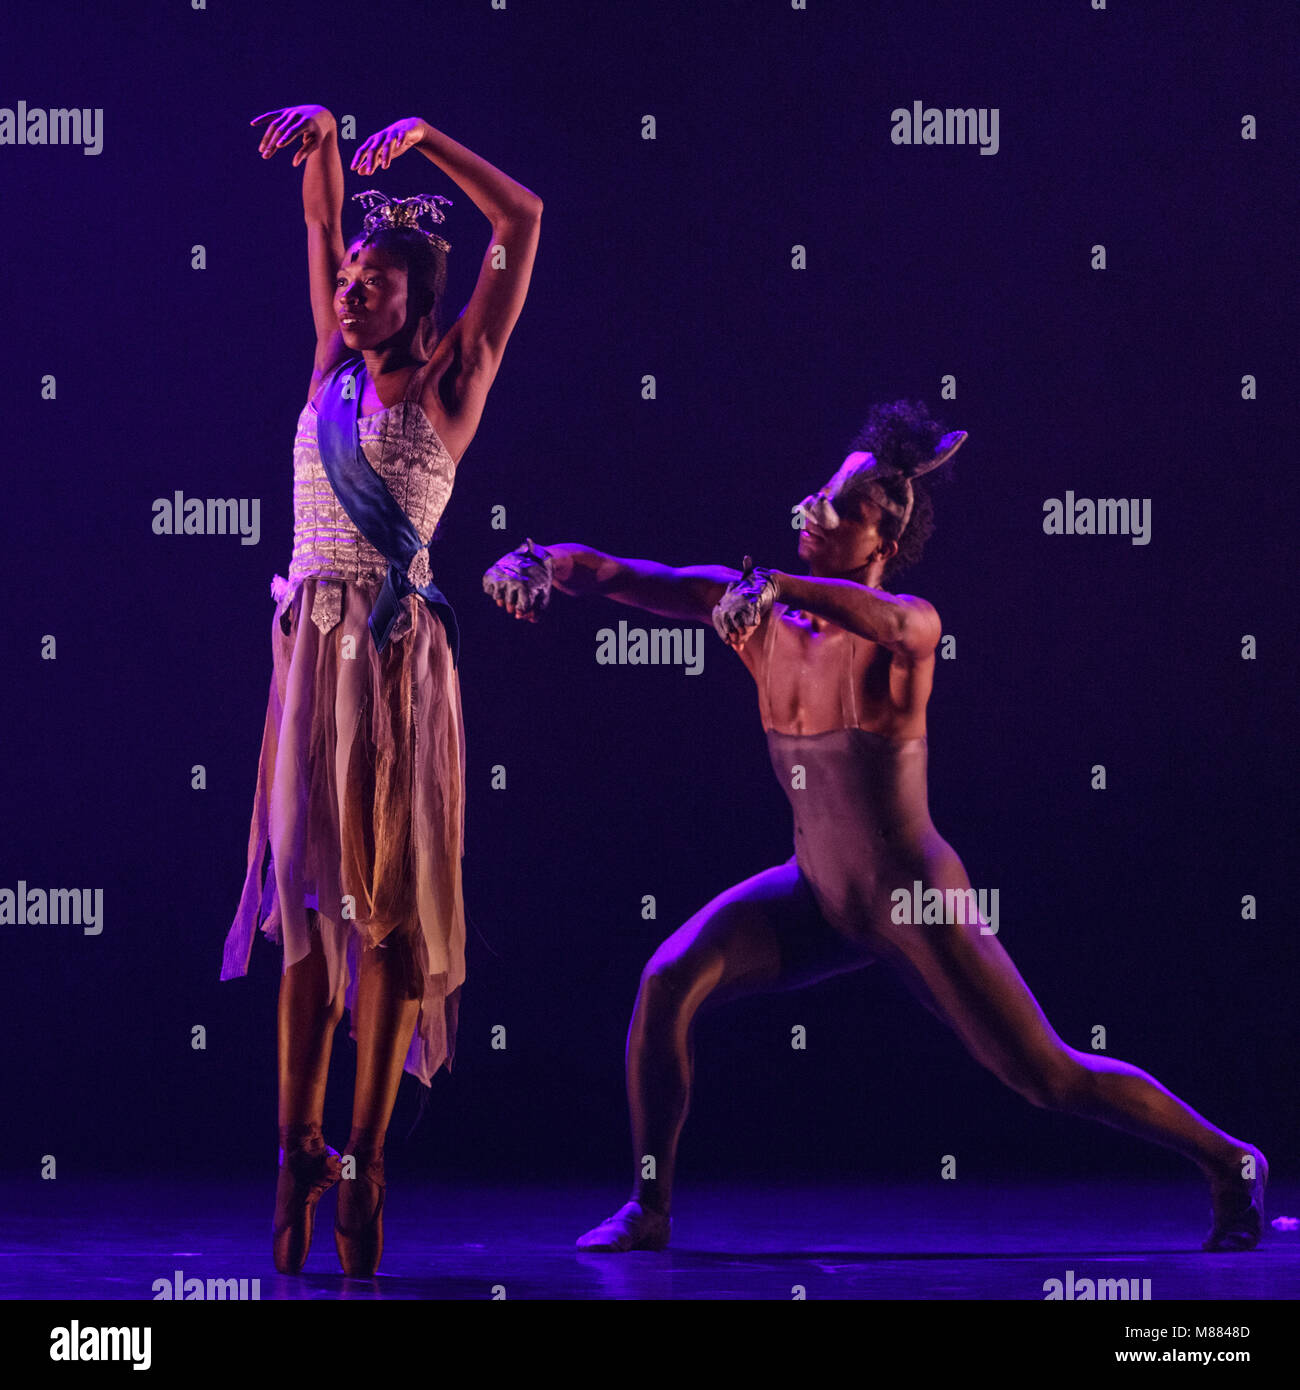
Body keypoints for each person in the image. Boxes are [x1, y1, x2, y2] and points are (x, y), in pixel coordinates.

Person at [482, 400, 1267, 1255]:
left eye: (840, 504)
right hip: (818, 897)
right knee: (668, 976)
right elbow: (621, 575)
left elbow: (891, 620)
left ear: (881, 544)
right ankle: (650, 1207)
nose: (814, 507)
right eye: (822, 490)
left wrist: (776, 585)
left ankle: (1232, 1163)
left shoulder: (909, 630)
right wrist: (536, 561)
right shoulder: (757, 617)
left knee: (1045, 1076)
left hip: (914, 902)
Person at [222, 103, 541, 1276]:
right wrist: (324, 143)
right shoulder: (325, 369)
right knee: (307, 903)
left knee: (388, 911)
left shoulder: (457, 377)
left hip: (396, 664)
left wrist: (426, 142)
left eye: (373, 280)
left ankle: (363, 1158)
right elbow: (315, 223)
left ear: (423, 302)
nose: (351, 290)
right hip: (308, 659)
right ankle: (295, 1146)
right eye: (347, 275)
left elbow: (523, 217)